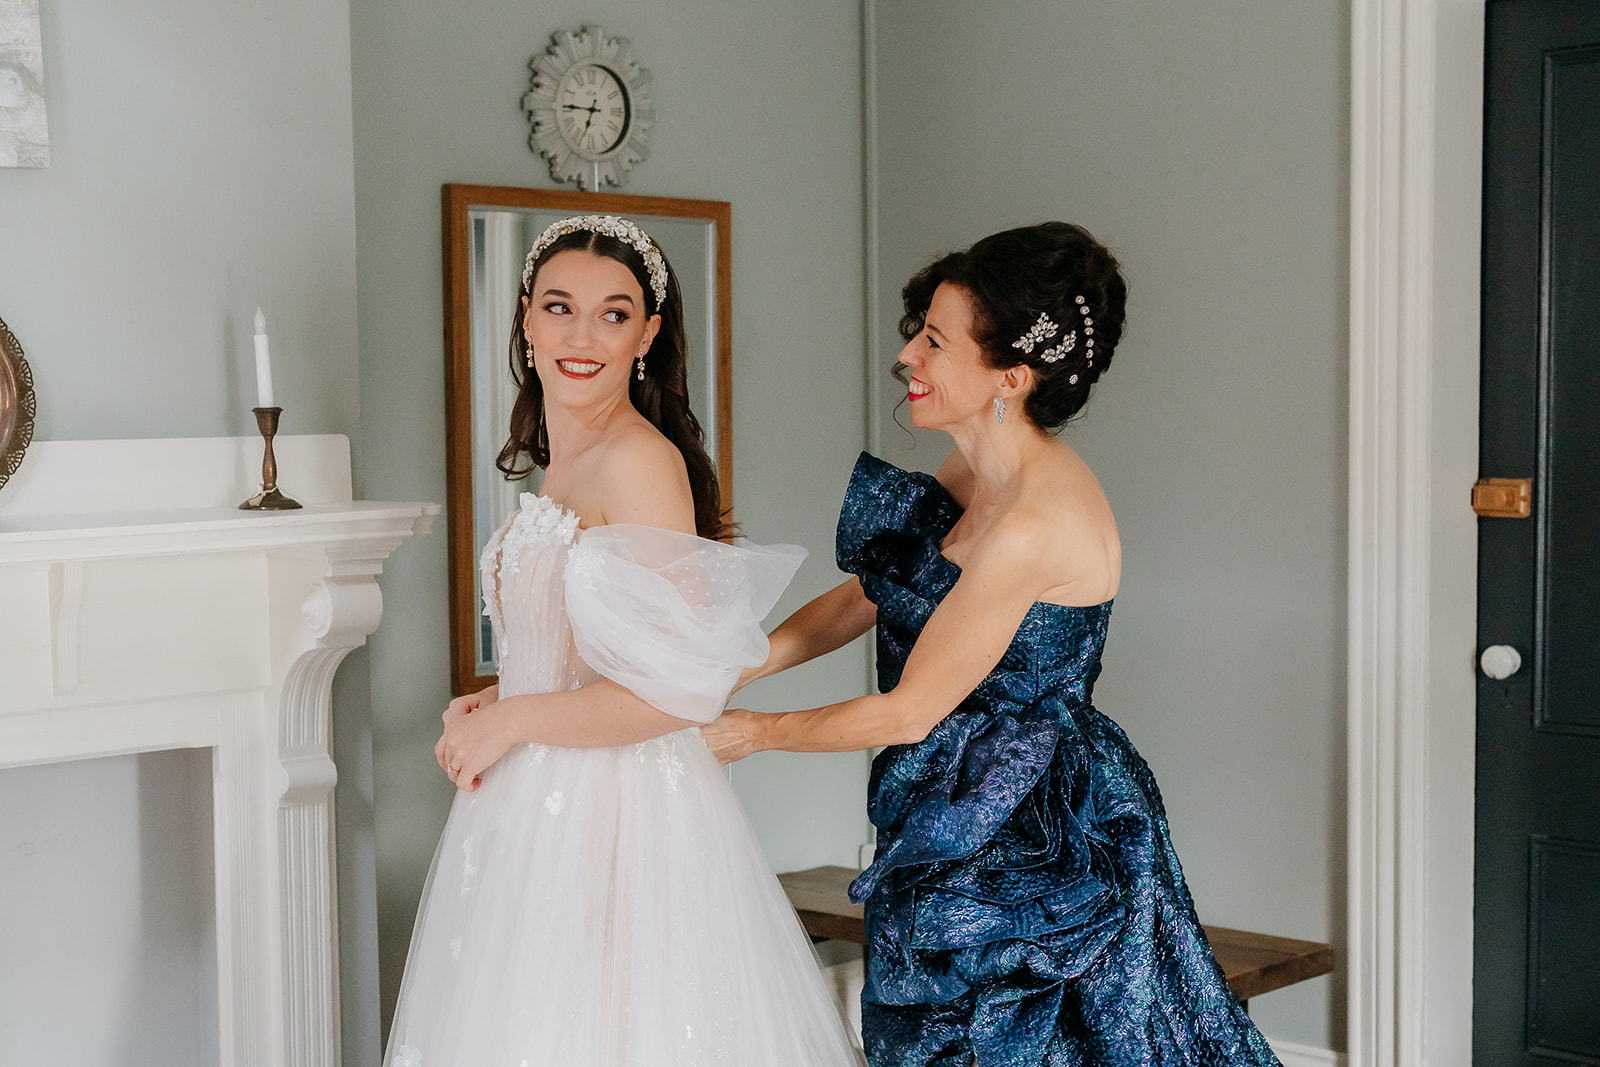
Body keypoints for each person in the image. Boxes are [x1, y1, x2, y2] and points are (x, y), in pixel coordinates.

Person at [701, 223, 1281, 1067]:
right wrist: (740, 660)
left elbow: (906, 711)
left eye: (935, 341)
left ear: (1009, 375)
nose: (908, 356)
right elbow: (874, 590)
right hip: (953, 804)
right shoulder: (977, 471)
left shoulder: (1033, 523)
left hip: (1030, 829)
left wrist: (751, 731)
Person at [384, 214, 863, 1067]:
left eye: (613, 313)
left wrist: (512, 720)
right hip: (532, 798)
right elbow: (597, 650)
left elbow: (676, 692)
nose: (581, 335)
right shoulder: (563, 459)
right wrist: (502, 696)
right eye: (560, 307)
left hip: (618, 813)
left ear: (646, 334)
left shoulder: (636, 461)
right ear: (526, 318)